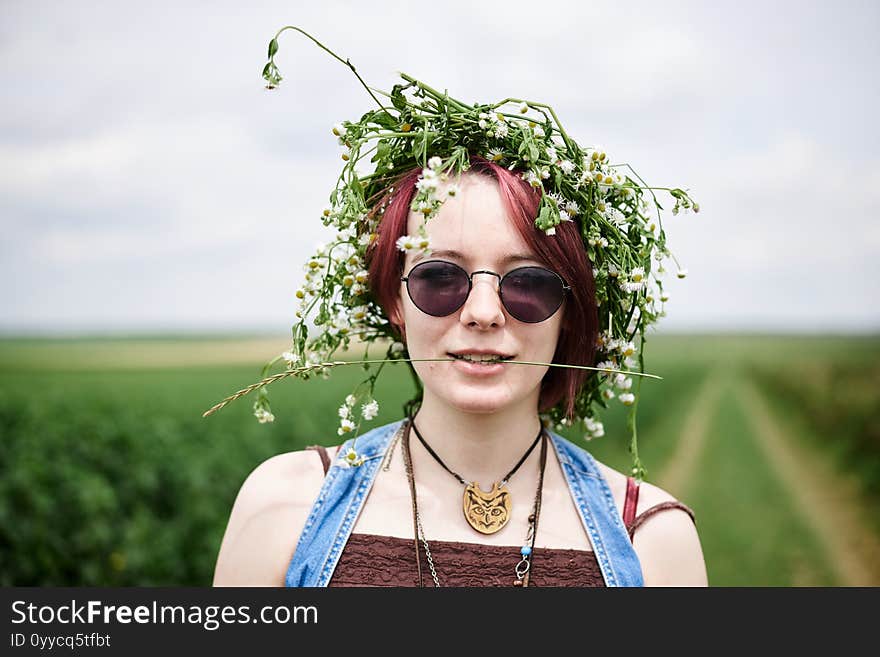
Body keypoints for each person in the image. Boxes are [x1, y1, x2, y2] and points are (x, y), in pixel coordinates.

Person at [210, 27, 707, 586]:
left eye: (529, 284)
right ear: (394, 300)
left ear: (571, 313)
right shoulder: (285, 508)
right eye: (441, 277)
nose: (483, 311)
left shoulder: (652, 541)